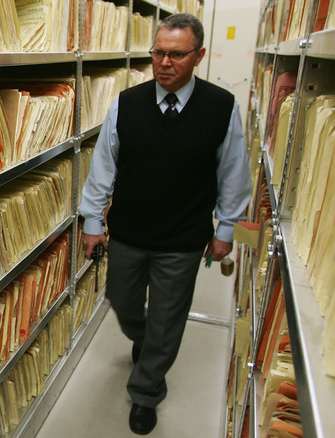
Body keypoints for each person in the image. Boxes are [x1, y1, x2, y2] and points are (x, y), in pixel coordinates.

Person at [79, 13, 252, 435]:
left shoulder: (221, 107)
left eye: (176, 54)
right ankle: (146, 339)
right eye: (158, 52)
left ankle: (145, 392)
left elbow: (234, 174)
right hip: (130, 233)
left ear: (199, 56)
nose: (164, 62)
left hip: (184, 238)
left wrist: (226, 231)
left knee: (167, 320)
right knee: (122, 302)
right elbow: (103, 166)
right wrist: (91, 220)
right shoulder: (128, 103)